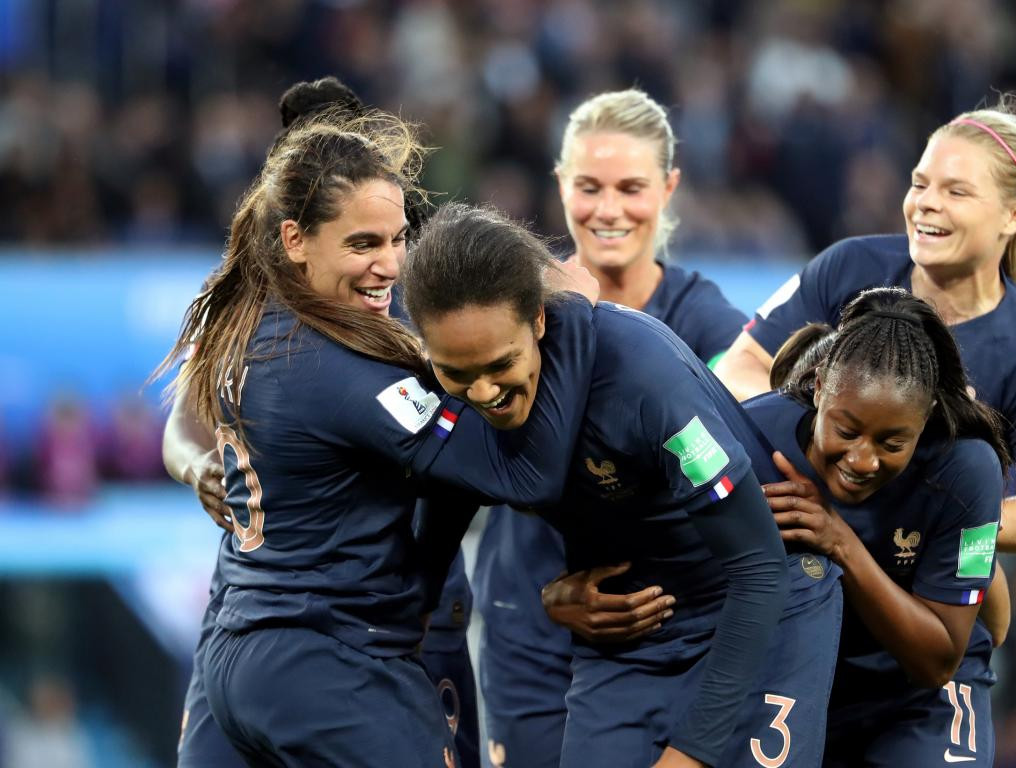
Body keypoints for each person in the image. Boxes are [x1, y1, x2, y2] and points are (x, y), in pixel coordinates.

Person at [158, 106, 600, 767]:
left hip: (242, 645)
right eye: (364, 244)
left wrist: (197, 467)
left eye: (398, 240)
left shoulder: (247, 320)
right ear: (294, 237)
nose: (390, 265)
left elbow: (186, 419)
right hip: (332, 660)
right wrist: (572, 318)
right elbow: (521, 475)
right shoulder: (347, 373)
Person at [402, 202, 842, 768]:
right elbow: (440, 523)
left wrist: (692, 753)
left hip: (760, 610)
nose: (483, 392)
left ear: (538, 320)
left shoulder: (642, 380)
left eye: (500, 365)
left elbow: (758, 570)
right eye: (457, 374)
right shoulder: (446, 393)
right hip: (630, 632)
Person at [471, 88, 747, 768]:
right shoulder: (513, 307)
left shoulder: (709, 325)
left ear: (670, 187)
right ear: (561, 183)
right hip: (526, 625)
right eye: (589, 187)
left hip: (664, 639)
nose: (609, 210)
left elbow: (752, 478)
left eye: (631, 187)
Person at [714, 97, 1016, 573]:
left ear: (1013, 215)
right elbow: (739, 367)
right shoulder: (847, 266)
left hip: (922, 605)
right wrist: (829, 438)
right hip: (801, 570)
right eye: (920, 183)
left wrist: (929, 513)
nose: (926, 202)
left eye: (956, 192)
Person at [751, 287, 1012, 765]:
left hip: (918, 698)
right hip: (798, 683)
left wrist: (840, 543)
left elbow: (939, 661)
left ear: (927, 415)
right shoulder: (755, 437)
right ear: (818, 385)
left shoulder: (966, 470)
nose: (862, 460)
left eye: (892, 443)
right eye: (846, 431)